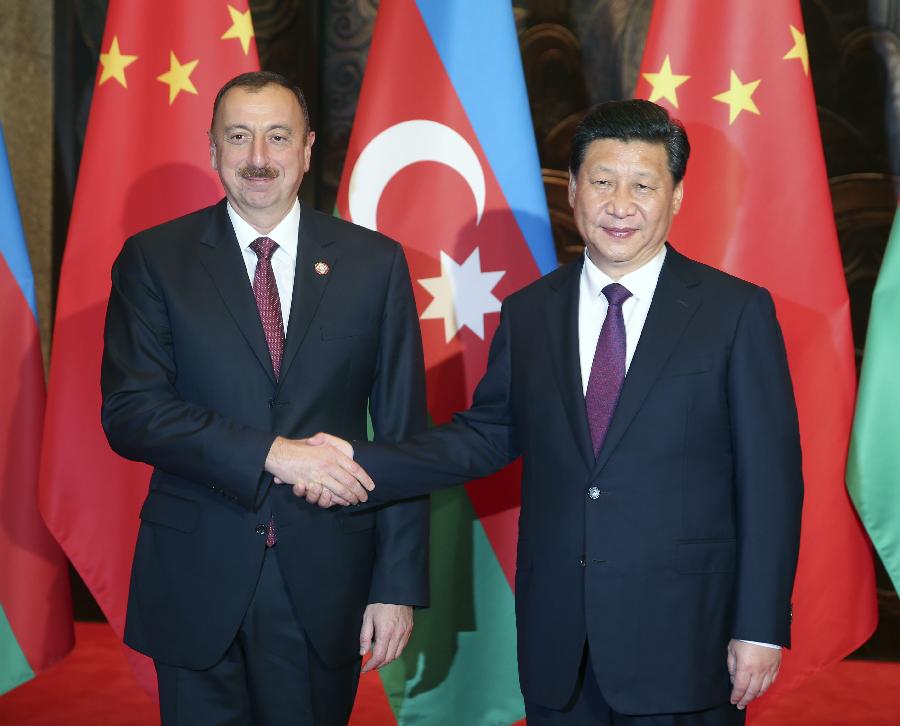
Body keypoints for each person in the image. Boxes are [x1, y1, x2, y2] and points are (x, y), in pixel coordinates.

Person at [303, 100, 804, 725]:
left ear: (675, 196)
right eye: (602, 181)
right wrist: (362, 461)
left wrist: (760, 625)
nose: (620, 204)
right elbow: (486, 436)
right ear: (572, 191)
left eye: (643, 185)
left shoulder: (735, 313)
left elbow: (771, 483)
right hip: (560, 644)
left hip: (686, 637)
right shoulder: (531, 312)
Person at [100, 71, 428, 725]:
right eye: (239, 137)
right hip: (196, 574)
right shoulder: (154, 260)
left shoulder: (374, 263)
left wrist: (395, 586)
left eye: (277, 137)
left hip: (325, 578)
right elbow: (132, 413)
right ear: (213, 148)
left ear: (307, 149)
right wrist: (273, 454)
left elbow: (403, 435)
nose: (258, 158)